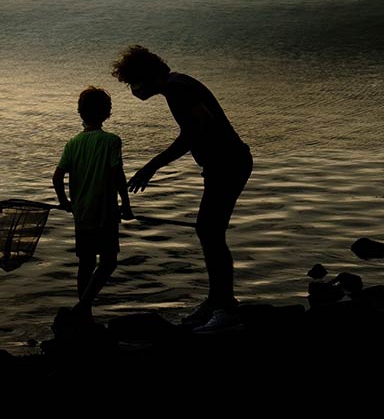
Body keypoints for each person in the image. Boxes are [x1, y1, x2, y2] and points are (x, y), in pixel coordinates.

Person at [111, 45, 253, 332]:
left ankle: (225, 308)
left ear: (146, 76)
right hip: (221, 166)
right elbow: (195, 130)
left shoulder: (178, 89)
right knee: (208, 231)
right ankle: (217, 301)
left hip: (229, 164)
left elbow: (196, 130)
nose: (133, 90)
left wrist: (152, 166)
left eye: (133, 83)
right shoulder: (177, 85)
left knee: (210, 232)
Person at [52, 86, 134, 319]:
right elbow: (117, 175)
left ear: (80, 113)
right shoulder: (111, 141)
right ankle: (84, 306)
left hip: (82, 214)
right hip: (106, 213)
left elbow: (57, 177)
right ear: (107, 113)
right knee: (108, 262)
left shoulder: (73, 143)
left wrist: (65, 202)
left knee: (85, 264)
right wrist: (126, 204)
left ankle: (85, 313)